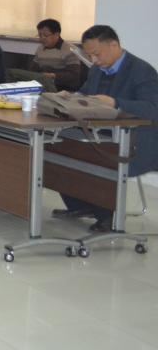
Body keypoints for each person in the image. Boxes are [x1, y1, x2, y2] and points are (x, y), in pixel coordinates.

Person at [49, 26, 158, 232]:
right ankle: (81, 206)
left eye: (96, 54)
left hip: (136, 140)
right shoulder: (97, 69)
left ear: (114, 45)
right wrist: (70, 97)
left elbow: (152, 108)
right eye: (89, 55)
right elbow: (85, 95)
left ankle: (106, 216)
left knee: (93, 156)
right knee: (59, 146)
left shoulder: (142, 71)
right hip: (103, 133)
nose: (94, 60)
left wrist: (116, 103)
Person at [9, 19, 84, 93]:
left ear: (57, 34)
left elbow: (74, 75)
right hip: (43, 84)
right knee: (12, 73)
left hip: (62, 88)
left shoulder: (69, 50)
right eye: (40, 35)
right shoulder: (40, 49)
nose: (42, 39)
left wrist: (53, 75)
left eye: (45, 35)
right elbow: (33, 70)